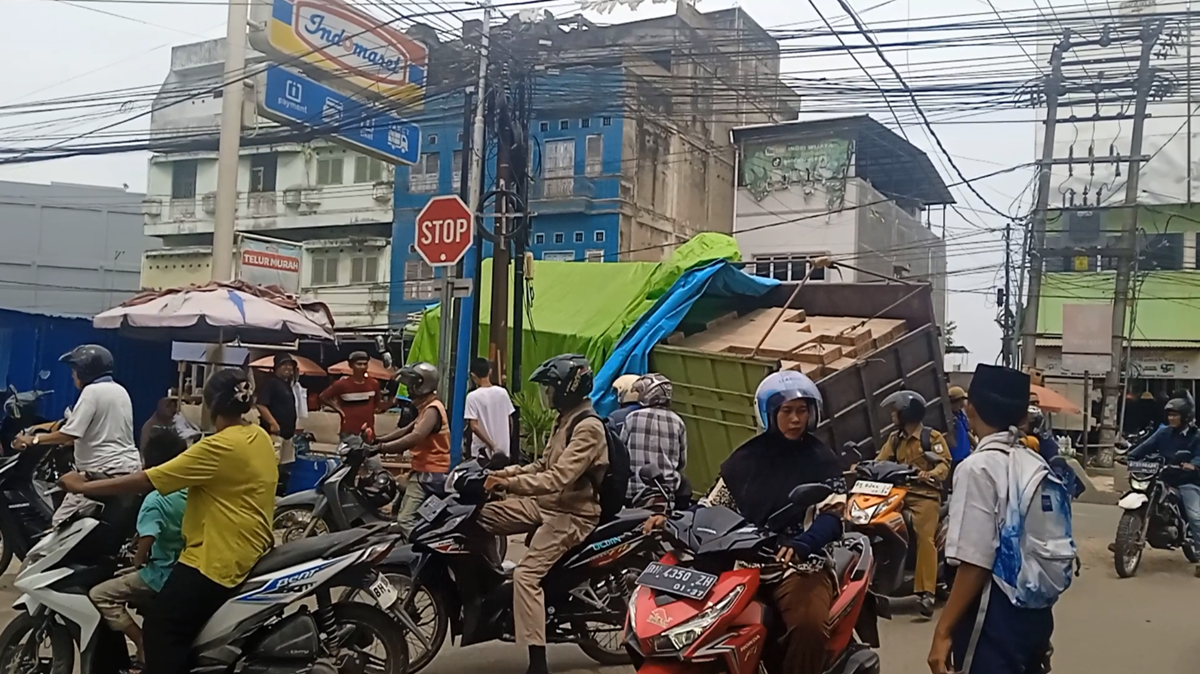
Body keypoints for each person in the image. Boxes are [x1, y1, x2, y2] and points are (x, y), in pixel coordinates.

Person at [60, 368, 278, 674]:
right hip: (251, 545)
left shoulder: (217, 447)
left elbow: (147, 479)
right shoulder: (257, 436)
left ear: (210, 403)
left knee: (161, 628)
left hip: (218, 558)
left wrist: (82, 487)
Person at [646, 371, 846, 674]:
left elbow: (833, 515)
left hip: (797, 566)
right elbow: (711, 504)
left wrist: (803, 544)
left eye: (802, 411)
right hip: (740, 559)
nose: (796, 419)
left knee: (809, 627)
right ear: (768, 413)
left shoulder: (822, 459)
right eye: (787, 411)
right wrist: (672, 519)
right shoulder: (745, 458)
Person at [929, 364, 1071, 674]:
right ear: (1023, 418)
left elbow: (976, 560)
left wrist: (943, 631)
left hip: (992, 616)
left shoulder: (977, 468)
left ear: (970, 408)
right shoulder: (1034, 463)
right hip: (1035, 615)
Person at [478, 354, 609, 674]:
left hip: (572, 514)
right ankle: (489, 586)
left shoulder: (587, 427)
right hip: (546, 504)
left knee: (526, 576)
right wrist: (503, 475)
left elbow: (558, 478)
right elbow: (541, 466)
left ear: (568, 389)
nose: (546, 395)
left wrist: (507, 487)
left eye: (550, 388)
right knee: (479, 518)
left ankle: (538, 660)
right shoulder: (565, 418)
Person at [88, 426, 189, 669]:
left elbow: (148, 537)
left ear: (147, 461)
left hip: (160, 574)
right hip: (186, 568)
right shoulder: (190, 490)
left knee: (100, 594)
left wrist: (138, 559)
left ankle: (140, 642)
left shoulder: (154, 499)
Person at [15, 345, 143, 525]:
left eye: (74, 370)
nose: (72, 374)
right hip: (127, 467)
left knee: (60, 522)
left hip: (101, 471)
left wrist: (33, 440)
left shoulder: (91, 392)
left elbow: (69, 433)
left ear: (85, 371)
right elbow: (97, 429)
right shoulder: (119, 390)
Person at [876, 390, 951, 617]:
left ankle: (926, 593)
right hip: (897, 494)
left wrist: (931, 474)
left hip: (924, 496)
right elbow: (880, 461)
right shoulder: (894, 439)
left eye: (895, 412)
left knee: (924, 536)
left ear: (907, 414)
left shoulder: (932, 438)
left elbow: (944, 465)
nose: (892, 416)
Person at [1126, 394, 1200, 577]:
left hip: (1187, 480)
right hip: (1164, 477)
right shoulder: (1163, 432)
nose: (1171, 418)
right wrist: (1129, 457)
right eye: (1169, 415)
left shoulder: (1196, 435)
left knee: (1195, 516)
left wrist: (1194, 464)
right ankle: (1126, 539)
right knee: (1141, 494)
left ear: (1186, 417)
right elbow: (1145, 447)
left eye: (1175, 415)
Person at [378, 362, 450, 535]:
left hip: (430, 473)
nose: (408, 389)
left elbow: (415, 437)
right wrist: (377, 441)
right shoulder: (426, 407)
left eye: (410, 385)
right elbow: (406, 429)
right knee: (395, 490)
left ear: (421, 385)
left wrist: (382, 448)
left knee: (405, 521)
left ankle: (424, 555)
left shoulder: (433, 410)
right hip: (420, 470)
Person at [621, 373, 687, 507]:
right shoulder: (678, 422)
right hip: (667, 492)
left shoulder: (632, 418)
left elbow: (621, 455)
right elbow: (681, 462)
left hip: (634, 491)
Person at [256, 353, 299, 496]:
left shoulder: (286, 384)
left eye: (290, 365)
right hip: (274, 432)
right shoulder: (270, 382)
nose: (288, 368)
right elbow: (261, 405)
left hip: (287, 433)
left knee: (285, 466)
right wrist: (273, 423)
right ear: (277, 367)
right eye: (284, 365)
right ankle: (266, 492)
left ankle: (278, 493)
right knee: (271, 464)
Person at [320, 351, 382, 439]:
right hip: (348, 430)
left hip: (368, 430)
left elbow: (377, 402)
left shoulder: (373, 383)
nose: (362, 367)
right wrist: (339, 410)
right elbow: (323, 397)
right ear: (351, 365)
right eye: (359, 364)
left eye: (365, 364)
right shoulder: (342, 384)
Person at [464, 358, 515, 461]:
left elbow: (474, 427)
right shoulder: (503, 393)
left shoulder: (472, 397)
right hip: (503, 452)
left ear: (473, 376)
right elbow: (510, 421)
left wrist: (491, 444)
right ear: (490, 372)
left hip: (482, 454)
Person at [948, 385, 975, 466]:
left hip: (966, 456)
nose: (962, 404)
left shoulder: (960, 414)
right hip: (955, 459)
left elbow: (967, 432)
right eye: (960, 401)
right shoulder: (948, 418)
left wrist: (977, 447)